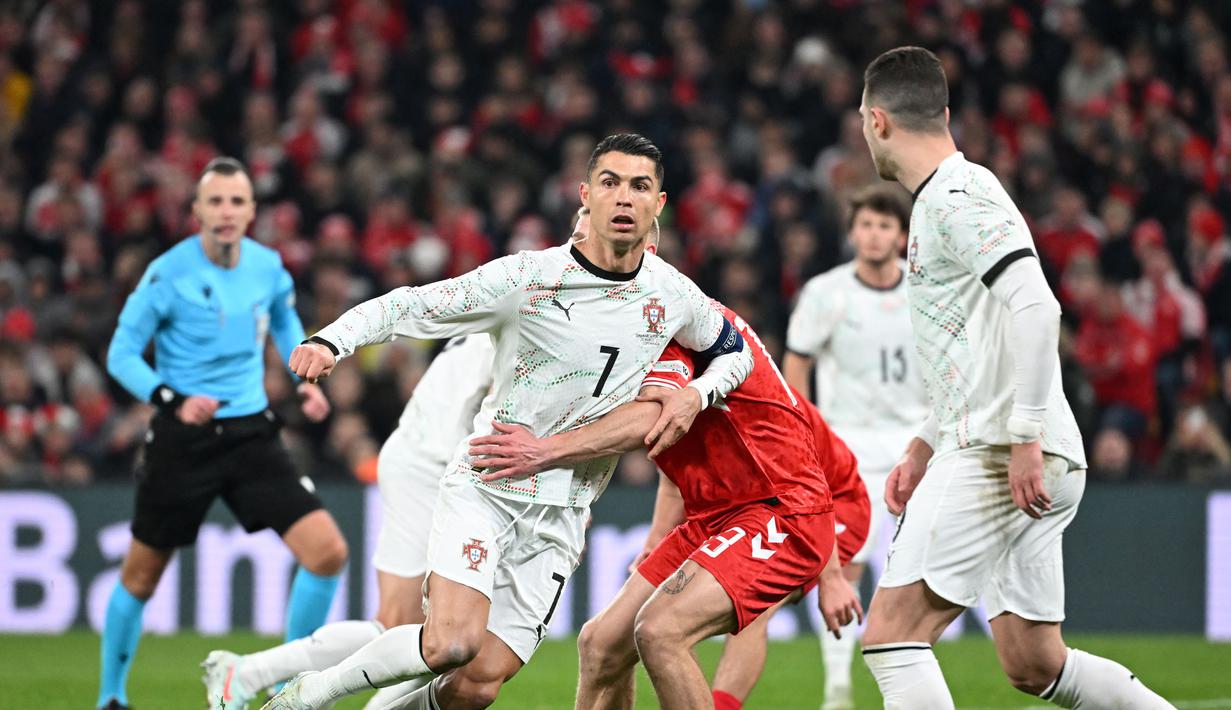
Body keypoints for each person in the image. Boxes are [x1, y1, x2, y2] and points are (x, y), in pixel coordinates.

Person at [264, 133, 754, 710]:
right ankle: (310, 693)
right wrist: (333, 339)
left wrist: (697, 394)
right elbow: (414, 303)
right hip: (489, 484)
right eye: (610, 183)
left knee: (476, 685)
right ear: (585, 196)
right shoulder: (528, 280)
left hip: (563, 513)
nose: (624, 198)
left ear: (659, 205)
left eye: (640, 186)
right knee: (451, 644)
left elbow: (736, 350)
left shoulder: (672, 295)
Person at [856, 46, 1171, 708]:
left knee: (890, 634)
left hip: (1002, 449)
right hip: (1012, 446)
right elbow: (979, 344)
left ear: (877, 122)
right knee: (1034, 662)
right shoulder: (941, 200)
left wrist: (1022, 435)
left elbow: (1036, 305)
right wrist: (923, 441)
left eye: (862, 122)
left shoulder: (958, 194)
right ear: (941, 112)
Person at [472, 303, 840, 710]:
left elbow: (653, 418)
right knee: (601, 645)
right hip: (713, 512)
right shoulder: (630, 327)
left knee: (661, 631)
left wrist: (545, 454)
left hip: (781, 508)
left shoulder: (670, 322)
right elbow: (672, 460)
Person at [98, 157, 348, 710]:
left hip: (251, 434)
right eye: (215, 201)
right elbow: (119, 354)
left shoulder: (268, 266)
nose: (227, 212)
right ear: (196, 212)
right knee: (140, 577)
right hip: (182, 440)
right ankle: (110, 697)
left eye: (237, 201)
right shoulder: (166, 274)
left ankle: (287, 687)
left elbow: (283, 320)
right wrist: (172, 399)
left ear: (252, 211)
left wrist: (299, 373)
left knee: (327, 552)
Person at [202, 332, 495, 710]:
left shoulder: (507, 307)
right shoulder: (536, 319)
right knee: (417, 627)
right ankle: (247, 673)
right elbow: (499, 408)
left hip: (425, 457)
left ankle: (248, 672)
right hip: (431, 469)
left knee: (442, 634)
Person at [781, 184, 928, 709]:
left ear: (903, 236)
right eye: (866, 224)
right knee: (845, 565)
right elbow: (796, 364)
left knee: (924, 566)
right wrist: (802, 436)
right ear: (852, 233)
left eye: (885, 225)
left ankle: (911, 683)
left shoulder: (924, 289)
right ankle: (838, 686)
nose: (874, 234)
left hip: (920, 443)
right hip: (852, 447)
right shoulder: (826, 292)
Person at [708, 392, 871, 710]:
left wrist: (832, 576)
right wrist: (654, 543)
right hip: (772, 505)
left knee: (752, 606)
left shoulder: (764, 404)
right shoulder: (698, 397)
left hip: (837, 505)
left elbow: (810, 492)